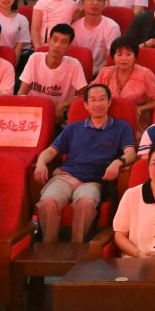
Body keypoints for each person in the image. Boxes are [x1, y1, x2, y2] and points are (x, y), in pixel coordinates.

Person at [33, 84, 135, 245]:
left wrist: (118, 162)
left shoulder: (121, 127)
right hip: (65, 176)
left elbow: (131, 153)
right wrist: (40, 162)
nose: (97, 104)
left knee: (85, 204)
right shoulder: (73, 128)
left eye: (102, 99)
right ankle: (49, 248)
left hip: (93, 181)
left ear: (109, 102)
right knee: (47, 202)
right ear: (86, 105)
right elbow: (51, 151)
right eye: (93, 100)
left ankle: (77, 249)